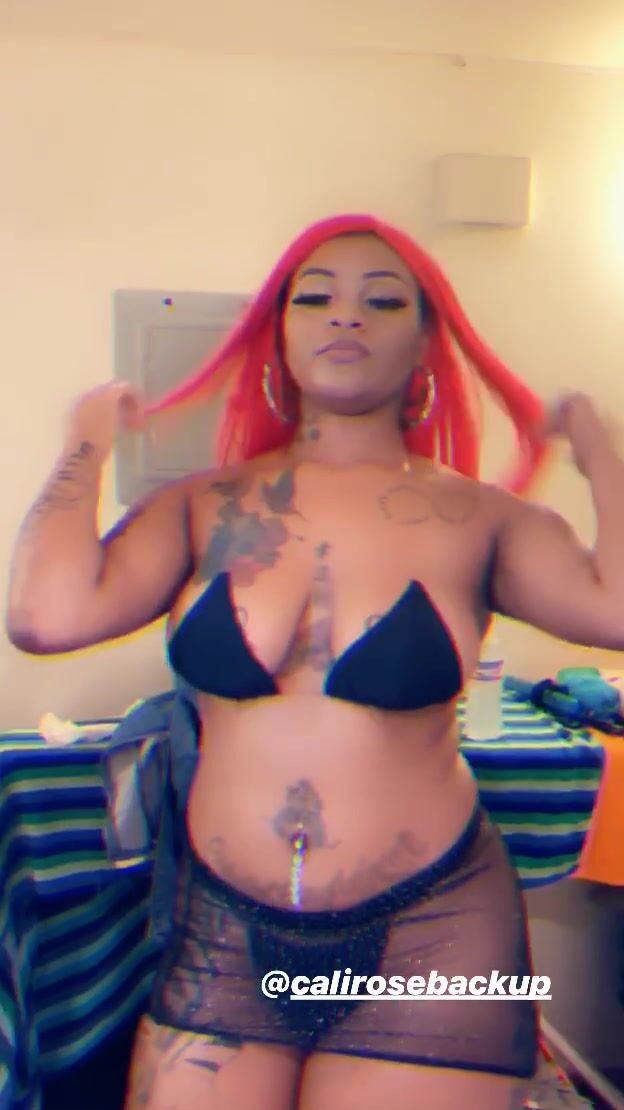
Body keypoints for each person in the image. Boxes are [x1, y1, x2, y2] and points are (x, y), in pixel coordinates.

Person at [7, 213, 624, 1110]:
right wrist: (85, 441)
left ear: (425, 345)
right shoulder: (201, 507)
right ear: (279, 335)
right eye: (316, 297)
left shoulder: (481, 521)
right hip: (224, 932)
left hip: (434, 929)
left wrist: (601, 455)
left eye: (384, 301)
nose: (346, 315)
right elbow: (44, 616)